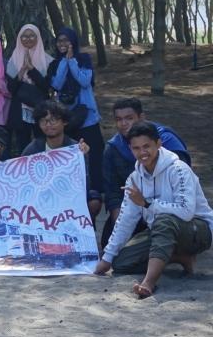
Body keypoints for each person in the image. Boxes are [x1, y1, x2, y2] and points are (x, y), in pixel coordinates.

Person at [94, 121, 213, 299]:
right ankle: (180, 258)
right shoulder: (134, 179)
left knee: (164, 220)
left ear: (158, 144)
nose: (142, 153)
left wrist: (147, 204)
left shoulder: (179, 169)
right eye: (136, 148)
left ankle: (148, 283)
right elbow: (125, 220)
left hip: (198, 230)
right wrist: (106, 259)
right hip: (160, 233)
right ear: (130, 149)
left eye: (147, 146)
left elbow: (186, 211)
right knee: (120, 263)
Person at [102, 98, 189, 246]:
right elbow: (113, 191)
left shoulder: (166, 139)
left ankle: (180, 253)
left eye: (129, 118)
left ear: (141, 117)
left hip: (167, 208)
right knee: (110, 245)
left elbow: (182, 182)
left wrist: (149, 203)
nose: (124, 124)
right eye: (119, 119)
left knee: (162, 240)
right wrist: (120, 224)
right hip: (133, 207)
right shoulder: (113, 148)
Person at [47, 26, 104, 215]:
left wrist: (72, 62)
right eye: (59, 41)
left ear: (73, 42)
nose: (63, 44)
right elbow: (56, 84)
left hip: (86, 115)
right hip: (67, 116)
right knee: (70, 155)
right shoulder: (55, 63)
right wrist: (65, 62)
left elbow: (85, 81)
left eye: (66, 40)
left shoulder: (84, 59)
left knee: (93, 153)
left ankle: (95, 190)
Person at [22, 100, 97, 216]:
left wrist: (83, 158)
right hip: (40, 200)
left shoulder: (76, 149)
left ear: (64, 122)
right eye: (43, 121)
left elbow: (84, 185)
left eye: (53, 120)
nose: (48, 125)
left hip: (69, 199)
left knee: (94, 201)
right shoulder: (32, 150)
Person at [5, 24, 53, 152]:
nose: (28, 39)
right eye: (24, 36)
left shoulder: (48, 60)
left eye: (32, 35)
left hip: (40, 107)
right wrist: (22, 70)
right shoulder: (13, 60)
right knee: (23, 144)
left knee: (43, 141)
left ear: (38, 38)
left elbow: (46, 87)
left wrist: (32, 69)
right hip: (20, 108)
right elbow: (11, 89)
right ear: (19, 39)